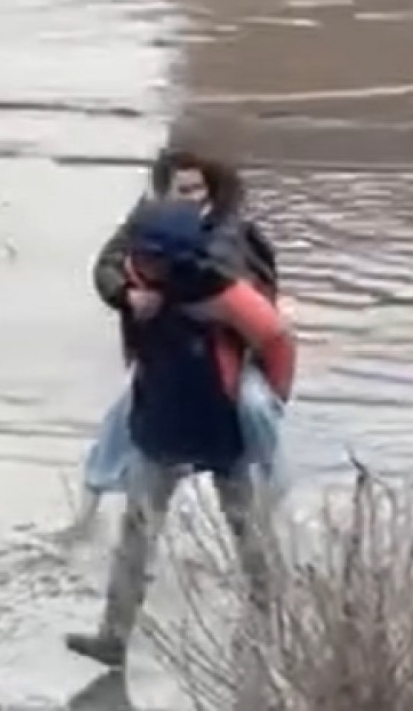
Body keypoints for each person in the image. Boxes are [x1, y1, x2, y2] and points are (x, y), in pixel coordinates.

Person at [64, 198, 298, 667]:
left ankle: (270, 625)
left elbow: (275, 339)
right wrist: (131, 298)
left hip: (222, 426)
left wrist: (272, 400)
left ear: (178, 259)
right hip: (158, 425)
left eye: (153, 259)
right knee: (137, 534)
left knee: (247, 530)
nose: (143, 265)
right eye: (140, 257)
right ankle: (113, 638)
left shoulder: (223, 294)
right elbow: (107, 273)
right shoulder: (132, 278)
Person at [56, 148, 287, 543]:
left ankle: (277, 495)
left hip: (229, 364)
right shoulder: (145, 226)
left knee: (257, 411)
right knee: (119, 430)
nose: (190, 197)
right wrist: (128, 294)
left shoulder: (227, 230)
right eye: (181, 189)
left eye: (197, 189)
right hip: (166, 376)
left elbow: (267, 326)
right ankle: (85, 518)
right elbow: (108, 266)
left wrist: (184, 291)